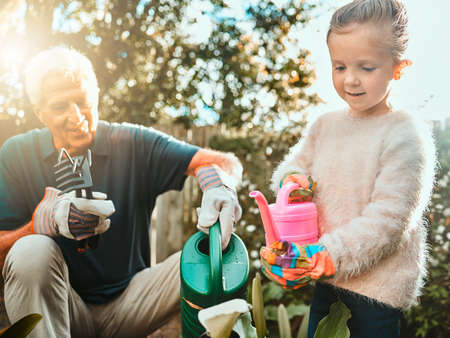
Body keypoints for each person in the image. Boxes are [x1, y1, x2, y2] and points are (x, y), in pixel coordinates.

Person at [0, 46, 243, 337]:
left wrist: (219, 186)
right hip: (63, 305)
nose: (76, 116)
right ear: (40, 113)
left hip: (133, 303)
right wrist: (41, 225)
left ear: (96, 96)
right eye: (60, 106)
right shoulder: (16, 155)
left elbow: (222, 163)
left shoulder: (132, 143)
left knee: (213, 256)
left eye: (82, 101)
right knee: (30, 250)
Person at [259, 1, 436, 337]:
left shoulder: (405, 134)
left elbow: (389, 220)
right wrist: (292, 180)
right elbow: (293, 167)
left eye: (366, 67)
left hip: (376, 295)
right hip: (326, 278)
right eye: (339, 67)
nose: (351, 79)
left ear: (399, 67)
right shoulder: (325, 125)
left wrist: (330, 252)